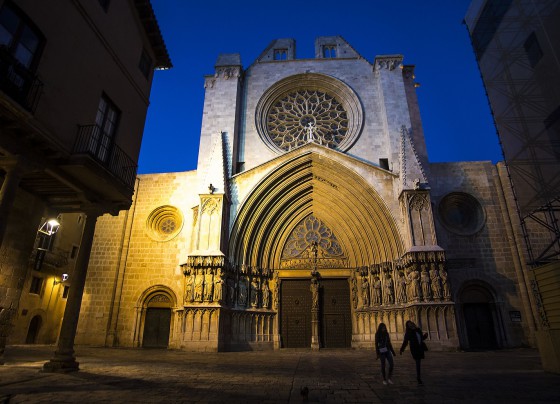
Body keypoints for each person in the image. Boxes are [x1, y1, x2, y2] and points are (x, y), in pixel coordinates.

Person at [400, 320, 428, 385]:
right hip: (415, 349)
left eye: (411, 323)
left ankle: (418, 377)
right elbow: (405, 341)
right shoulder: (408, 332)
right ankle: (418, 378)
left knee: (419, 363)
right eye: (409, 324)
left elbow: (421, 338)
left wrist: (425, 336)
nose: (411, 325)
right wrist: (402, 349)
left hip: (420, 348)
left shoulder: (418, 330)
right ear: (407, 326)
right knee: (418, 362)